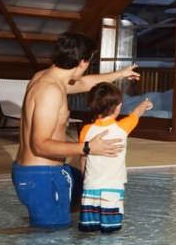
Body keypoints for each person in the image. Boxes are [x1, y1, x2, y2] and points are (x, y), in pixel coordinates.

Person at [12, 32, 140, 228]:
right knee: (52, 239)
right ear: (83, 62)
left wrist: (120, 74)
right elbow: (40, 144)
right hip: (41, 176)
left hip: (45, 172)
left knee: (89, 184)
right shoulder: (50, 91)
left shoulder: (45, 77)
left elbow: (83, 83)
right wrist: (88, 148)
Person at [77, 83, 152, 233]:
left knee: (89, 233)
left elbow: (83, 159)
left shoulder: (86, 130)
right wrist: (144, 104)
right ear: (118, 107)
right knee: (111, 234)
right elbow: (136, 114)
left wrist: (84, 178)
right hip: (113, 189)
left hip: (90, 188)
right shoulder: (122, 127)